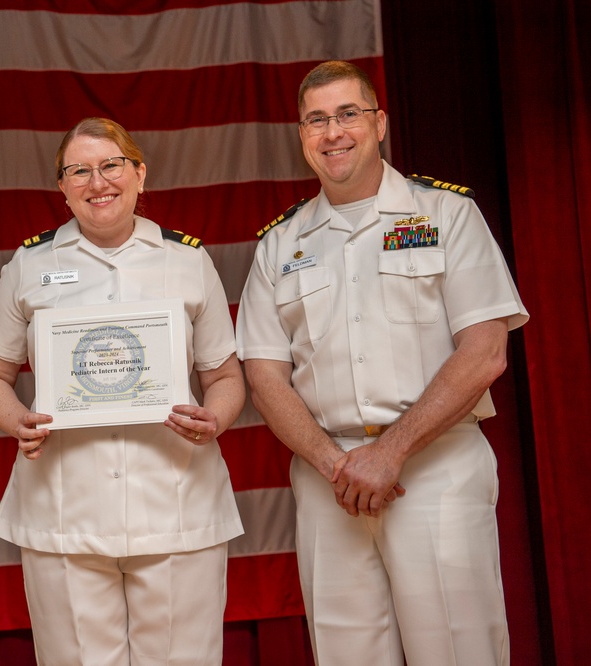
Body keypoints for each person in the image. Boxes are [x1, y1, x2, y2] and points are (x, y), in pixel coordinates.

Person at [235, 60, 528, 665]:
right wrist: (335, 464)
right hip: (328, 483)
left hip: (435, 468)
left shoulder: (446, 215)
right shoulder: (279, 244)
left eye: (348, 114)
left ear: (380, 123)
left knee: (458, 651)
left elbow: (485, 351)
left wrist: (389, 451)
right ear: (301, 135)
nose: (333, 132)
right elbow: (265, 379)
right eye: (316, 119)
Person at [0, 117, 245, 665]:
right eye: (80, 171)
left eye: (112, 165)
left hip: (177, 505)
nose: (98, 183)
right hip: (63, 509)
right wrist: (16, 419)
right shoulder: (29, 264)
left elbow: (225, 377)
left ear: (140, 174)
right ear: (62, 188)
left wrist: (214, 419)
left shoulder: (188, 261)